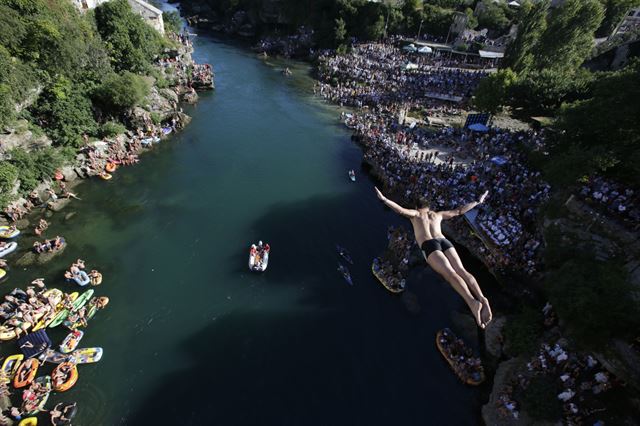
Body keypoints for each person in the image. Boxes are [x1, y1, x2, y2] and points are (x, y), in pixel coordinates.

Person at [375, 187, 492, 328]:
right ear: (429, 206)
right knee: (461, 270)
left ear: (417, 206)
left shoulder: (416, 215)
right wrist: (477, 201)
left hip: (429, 245)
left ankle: (472, 302)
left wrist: (384, 199)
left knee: (450, 275)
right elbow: (459, 211)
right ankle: (482, 297)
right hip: (444, 241)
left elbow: (400, 210)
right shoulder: (438, 215)